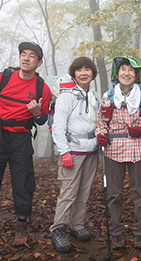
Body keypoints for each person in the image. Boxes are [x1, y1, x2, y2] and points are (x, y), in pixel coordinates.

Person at [0, 42, 51, 246]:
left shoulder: (42, 88)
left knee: (23, 182)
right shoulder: (3, 78)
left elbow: (42, 120)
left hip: (21, 139)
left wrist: (36, 113)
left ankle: (22, 225)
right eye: (23, 54)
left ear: (39, 62)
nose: (26, 58)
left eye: (31, 56)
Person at [95, 56, 141, 250]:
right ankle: (116, 232)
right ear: (117, 74)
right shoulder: (108, 96)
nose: (127, 73)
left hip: (138, 150)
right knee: (114, 194)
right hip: (113, 149)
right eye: (123, 69)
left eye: (131, 70)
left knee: (140, 192)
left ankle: (140, 231)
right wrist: (101, 135)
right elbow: (100, 123)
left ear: (136, 75)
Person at [49, 57, 100, 253]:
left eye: (87, 69)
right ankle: (59, 229)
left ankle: (77, 225)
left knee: (84, 191)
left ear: (93, 73)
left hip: (91, 150)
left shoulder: (93, 95)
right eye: (79, 70)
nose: (84, 73)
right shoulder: (66, 96)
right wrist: (65, 152)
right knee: (68, 192)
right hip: (72, 151)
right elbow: (58, 126)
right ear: (74, 74)